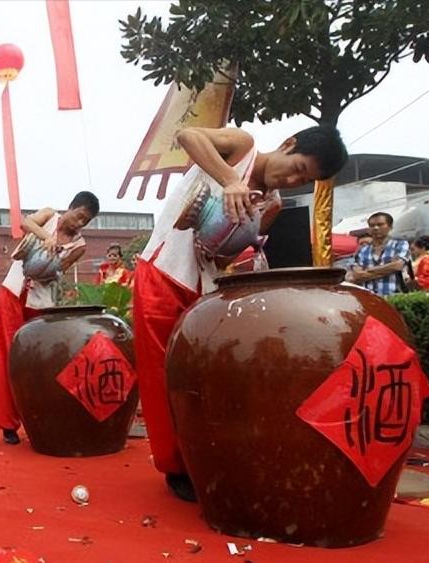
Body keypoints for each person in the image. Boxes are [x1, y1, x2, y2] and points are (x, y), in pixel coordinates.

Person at [132, 124, 348, 502]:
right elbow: (186, 136)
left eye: (304, 179)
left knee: (205, 378)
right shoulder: (242, 146)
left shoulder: (274, 204)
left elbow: (225, 255)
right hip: (164, 274)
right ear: (287, 143)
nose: (293, 178)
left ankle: (208, 456)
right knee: (161, 377)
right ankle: (176, 467)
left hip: (207, 286)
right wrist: (231, 180)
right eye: (297, 166)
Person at [0, 191, 100, 445]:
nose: (79, 224)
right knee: (9, 355)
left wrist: (50, 261)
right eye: (79, 217)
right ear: (71, 208)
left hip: (40, 301)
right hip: (12, 291)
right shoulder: (49, 215)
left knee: (38, 359)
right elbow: (25, 223)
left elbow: (59, 271)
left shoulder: (80, 246)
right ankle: (9, 424)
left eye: (85, 222)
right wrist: (47, 239)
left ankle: (40, 418)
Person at [350, 212, 410, 297]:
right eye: (372, 225)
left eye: (380, 224)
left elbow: (397, 266)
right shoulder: (363, 251)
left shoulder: (399, 244)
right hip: (370, 298)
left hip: (393, 297)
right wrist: (387, 269)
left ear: (390, 227)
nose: (376, 228)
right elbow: (357, 275)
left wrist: (366, 271)